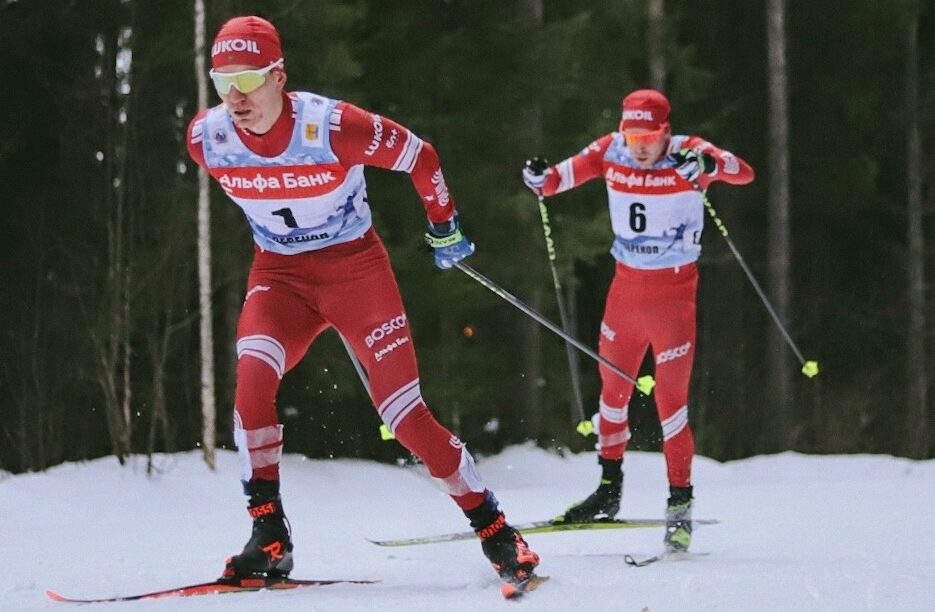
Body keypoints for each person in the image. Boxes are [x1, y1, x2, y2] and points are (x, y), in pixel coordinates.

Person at [187, 15, 539, 589]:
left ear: (279, 76)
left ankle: (497, 530)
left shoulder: (333, 127)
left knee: (404, 417)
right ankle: (269, 535)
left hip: (355, 272)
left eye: (248, 79)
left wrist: (445, 226)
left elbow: (421, 156)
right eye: (222, 79)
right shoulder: (207, 137)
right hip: (279, 276)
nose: (235, 95)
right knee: (251, 390)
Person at [522, 89, 754, 553]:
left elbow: (743, 173)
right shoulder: (611, 149)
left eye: (648, 136)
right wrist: (537, 176)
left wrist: (709, 169)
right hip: (624, 294)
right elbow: (554, 181)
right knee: (612, 395)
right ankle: (608, 491)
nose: (639, 146)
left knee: (671, 404)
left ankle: (680, 506)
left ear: (665, 131)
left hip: (673, 297)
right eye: (633, 135)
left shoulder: (690, 151)